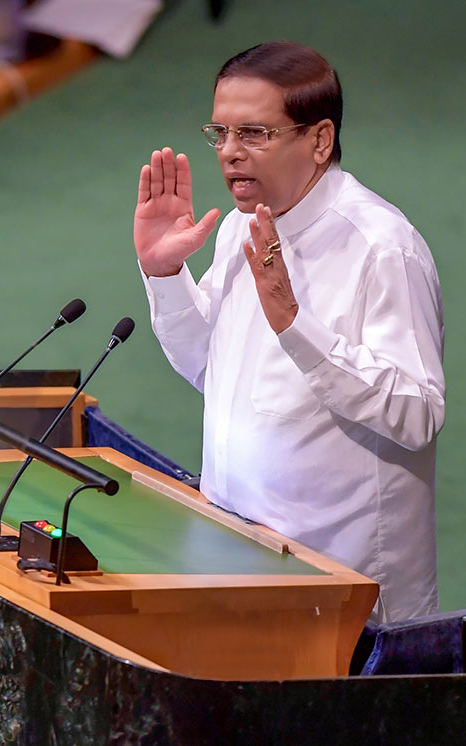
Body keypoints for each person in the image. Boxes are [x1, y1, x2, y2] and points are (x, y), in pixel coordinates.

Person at [134, 41, 445, 623]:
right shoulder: (238, 230)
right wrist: (165, 273)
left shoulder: (382, 249)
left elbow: (419, 413)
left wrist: (296, 326)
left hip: (348, 603)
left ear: (319, 140)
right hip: (236, 567)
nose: (229, 154)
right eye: (220, 133)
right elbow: (211, 370)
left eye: (254, 134)